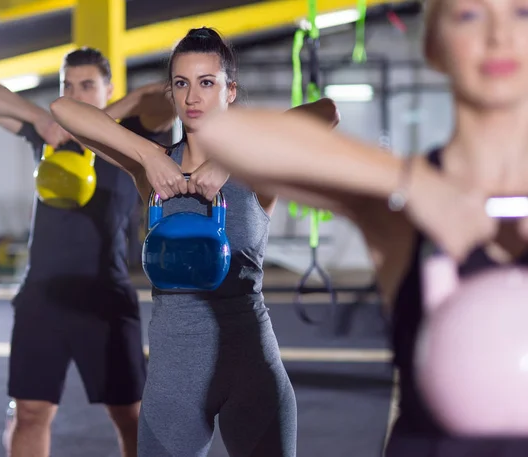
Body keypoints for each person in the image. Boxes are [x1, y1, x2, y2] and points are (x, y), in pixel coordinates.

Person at [195, 0, 528, 455]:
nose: (499, 35)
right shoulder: (402, 206)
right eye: (469, 15)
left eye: (522, 13)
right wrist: (415, 183)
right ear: (433, 45)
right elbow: (224, 135)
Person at [48, 27, 341, 457]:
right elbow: (62, 109)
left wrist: (227, 159)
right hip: (173, 379)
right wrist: (148, 154)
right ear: (171, 93)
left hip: (249, 368)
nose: (192, 97)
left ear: (230, 91)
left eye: (207, 83)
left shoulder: (257, 165)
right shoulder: (152, 170)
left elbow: (326, 111)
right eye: (181, 84)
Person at [0, 47, 175, 457]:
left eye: (87, 85)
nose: (75, 94)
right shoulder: (49, 135)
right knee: (30, 412)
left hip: (104, 297)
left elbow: (167, 94)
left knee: (130, 416)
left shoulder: (132, 131)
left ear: (108, 88)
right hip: (41, 295)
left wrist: (102, 116)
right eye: (67, 85)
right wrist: (42, 117)